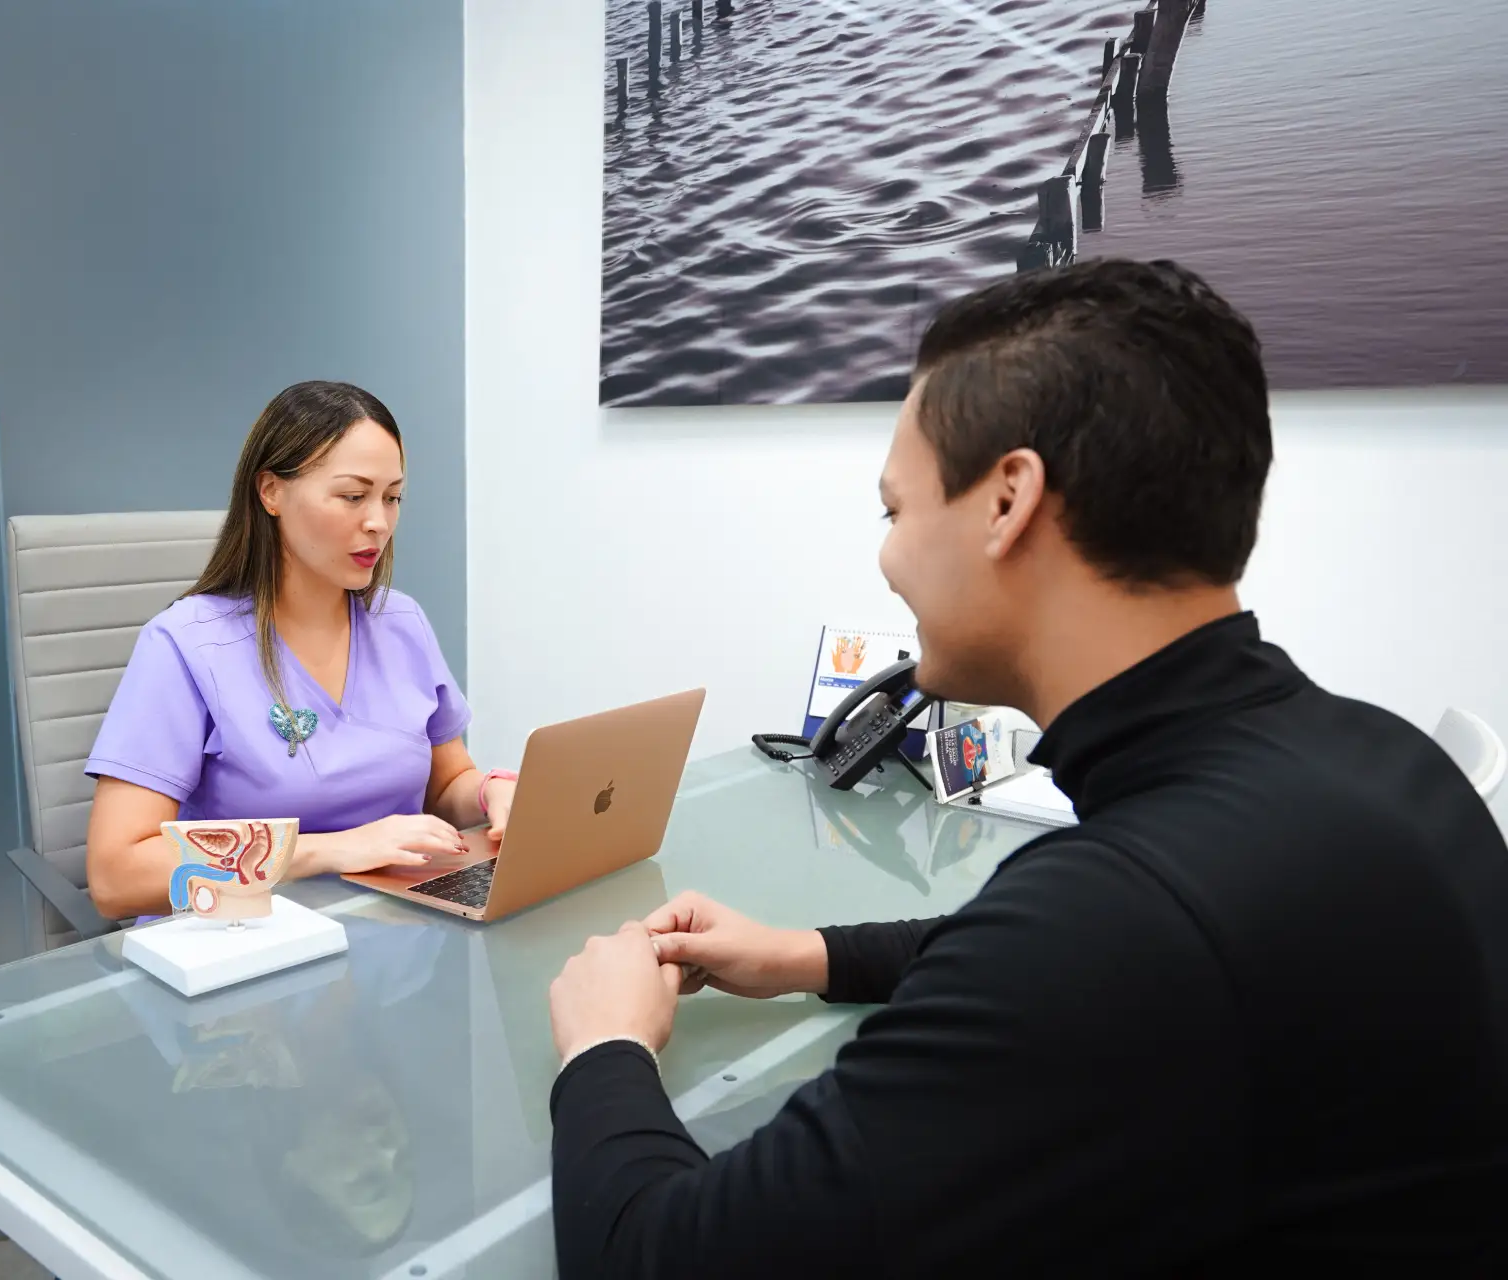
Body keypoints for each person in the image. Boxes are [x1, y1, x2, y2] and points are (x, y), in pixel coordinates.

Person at [546, 260, 1508, 1274]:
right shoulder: (1376, 760)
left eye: (894, 513)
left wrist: (606, 1046)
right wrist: (807, 954)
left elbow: (660, 1258)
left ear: (1008, 499)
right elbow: (1047, 955)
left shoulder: (1121, 924)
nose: (887, 558)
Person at [84, 381, 515, 919]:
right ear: (271, 492)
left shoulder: (399, 622)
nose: (378, 522)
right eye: (353, 496)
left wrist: (490, 794)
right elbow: (116, 874)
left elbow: (445, 782)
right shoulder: (187, 644)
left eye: (392, 496)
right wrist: (328, 850)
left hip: (394, 936)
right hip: (246, 952)